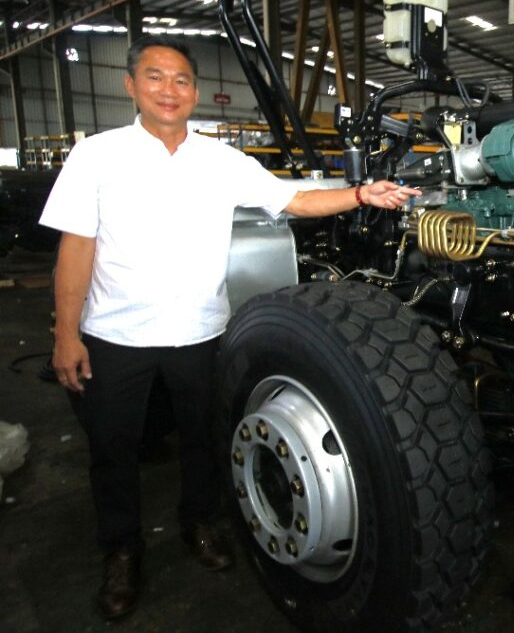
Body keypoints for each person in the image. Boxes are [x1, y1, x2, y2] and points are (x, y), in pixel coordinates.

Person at [38, 34, 419, 621]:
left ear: (195, 93)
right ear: (131, 85)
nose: (169, 90)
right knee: (113, 450)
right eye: (155, 77)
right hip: (116, 335)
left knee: (203, 440)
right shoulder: (96, 156)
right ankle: (121, 550)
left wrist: (361, 194)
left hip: (200, 334)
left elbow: (294, 201)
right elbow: (76, 249)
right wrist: (66, 335)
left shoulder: (221, 161)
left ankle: (200, 523)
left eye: (181, 80)